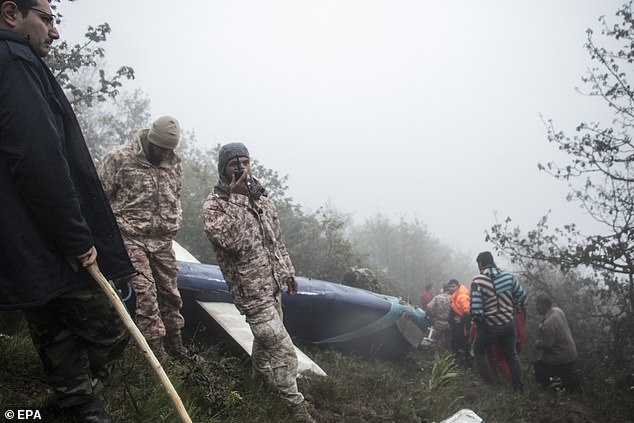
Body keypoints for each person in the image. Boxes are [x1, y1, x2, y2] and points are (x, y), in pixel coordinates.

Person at [0, 1, 136, 422]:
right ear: (11, 14)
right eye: (46, 17)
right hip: (44, 232)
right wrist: (76, 237)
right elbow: (39, 158)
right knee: (109, 321)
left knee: (50, 317)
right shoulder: (16, 60)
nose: (55, 32)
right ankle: (72, 401)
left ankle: (73, 403)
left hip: (22, 234)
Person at [203, 142, 317, 423]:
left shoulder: (262, 200)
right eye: (234, 164)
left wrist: (287, 272)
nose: (241, 168)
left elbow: (275, 241)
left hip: (272, 285)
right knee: (284, 351)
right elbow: (232, 242)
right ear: (223, 169)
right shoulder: (215, 206)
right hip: (251, 293)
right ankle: (297, 410)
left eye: (245, 161)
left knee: (265, 343)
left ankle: (257, 381)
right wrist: (238, 198)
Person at [98, 116, 188, 362]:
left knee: (170, 294)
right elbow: (99, 197)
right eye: (161, 147)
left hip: (162, 242)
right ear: (150, 140)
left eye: (169, 149)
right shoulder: (120, 158)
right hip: (130, 237)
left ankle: (175, 344)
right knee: (146, 292)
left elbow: (176, 196)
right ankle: (155, 352)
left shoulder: (174, 164)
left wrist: (174, 220)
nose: (164, 153)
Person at [470, 251, 526, 392]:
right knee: (511, 355)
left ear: (481, 264)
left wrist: (481, 323)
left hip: (490, 326)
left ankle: (488, 384)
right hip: (508, 324)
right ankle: (518, 388)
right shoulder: (508, 277)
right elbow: (522, 296)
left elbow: (476, 309)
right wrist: (511, 309)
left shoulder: (478, 281)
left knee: (479, 350)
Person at [534, 294, 582, 393]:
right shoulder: (557, 311)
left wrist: (538, 344)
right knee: (570, 378)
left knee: (539, 366)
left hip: (561, 357)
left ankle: (547, 390)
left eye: (537, 305)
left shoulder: (548, 324)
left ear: (543, 306)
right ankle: (573, 391)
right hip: (571, 353)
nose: (536, 307)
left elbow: (548, 346)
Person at [447, 278, 471, 364]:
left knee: (463, 345)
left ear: (457, 286)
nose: (450, 288)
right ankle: (459, 362)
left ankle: (466, 364)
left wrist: (461, 319)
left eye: (453, 286)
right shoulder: (455, 296)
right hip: (457, 326)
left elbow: (468, 311)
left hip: (462, 327)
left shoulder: (462, 296)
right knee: (457, 344)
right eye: (449, 287)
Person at [425, 284, 452, 349]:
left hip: (438, 321)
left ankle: (436, 353)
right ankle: (447, 353)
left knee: (437, 338)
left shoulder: (437, 297)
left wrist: (433, 314)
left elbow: (429, 306)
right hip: (449, 322)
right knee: (448, 339)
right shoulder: (452, 297)